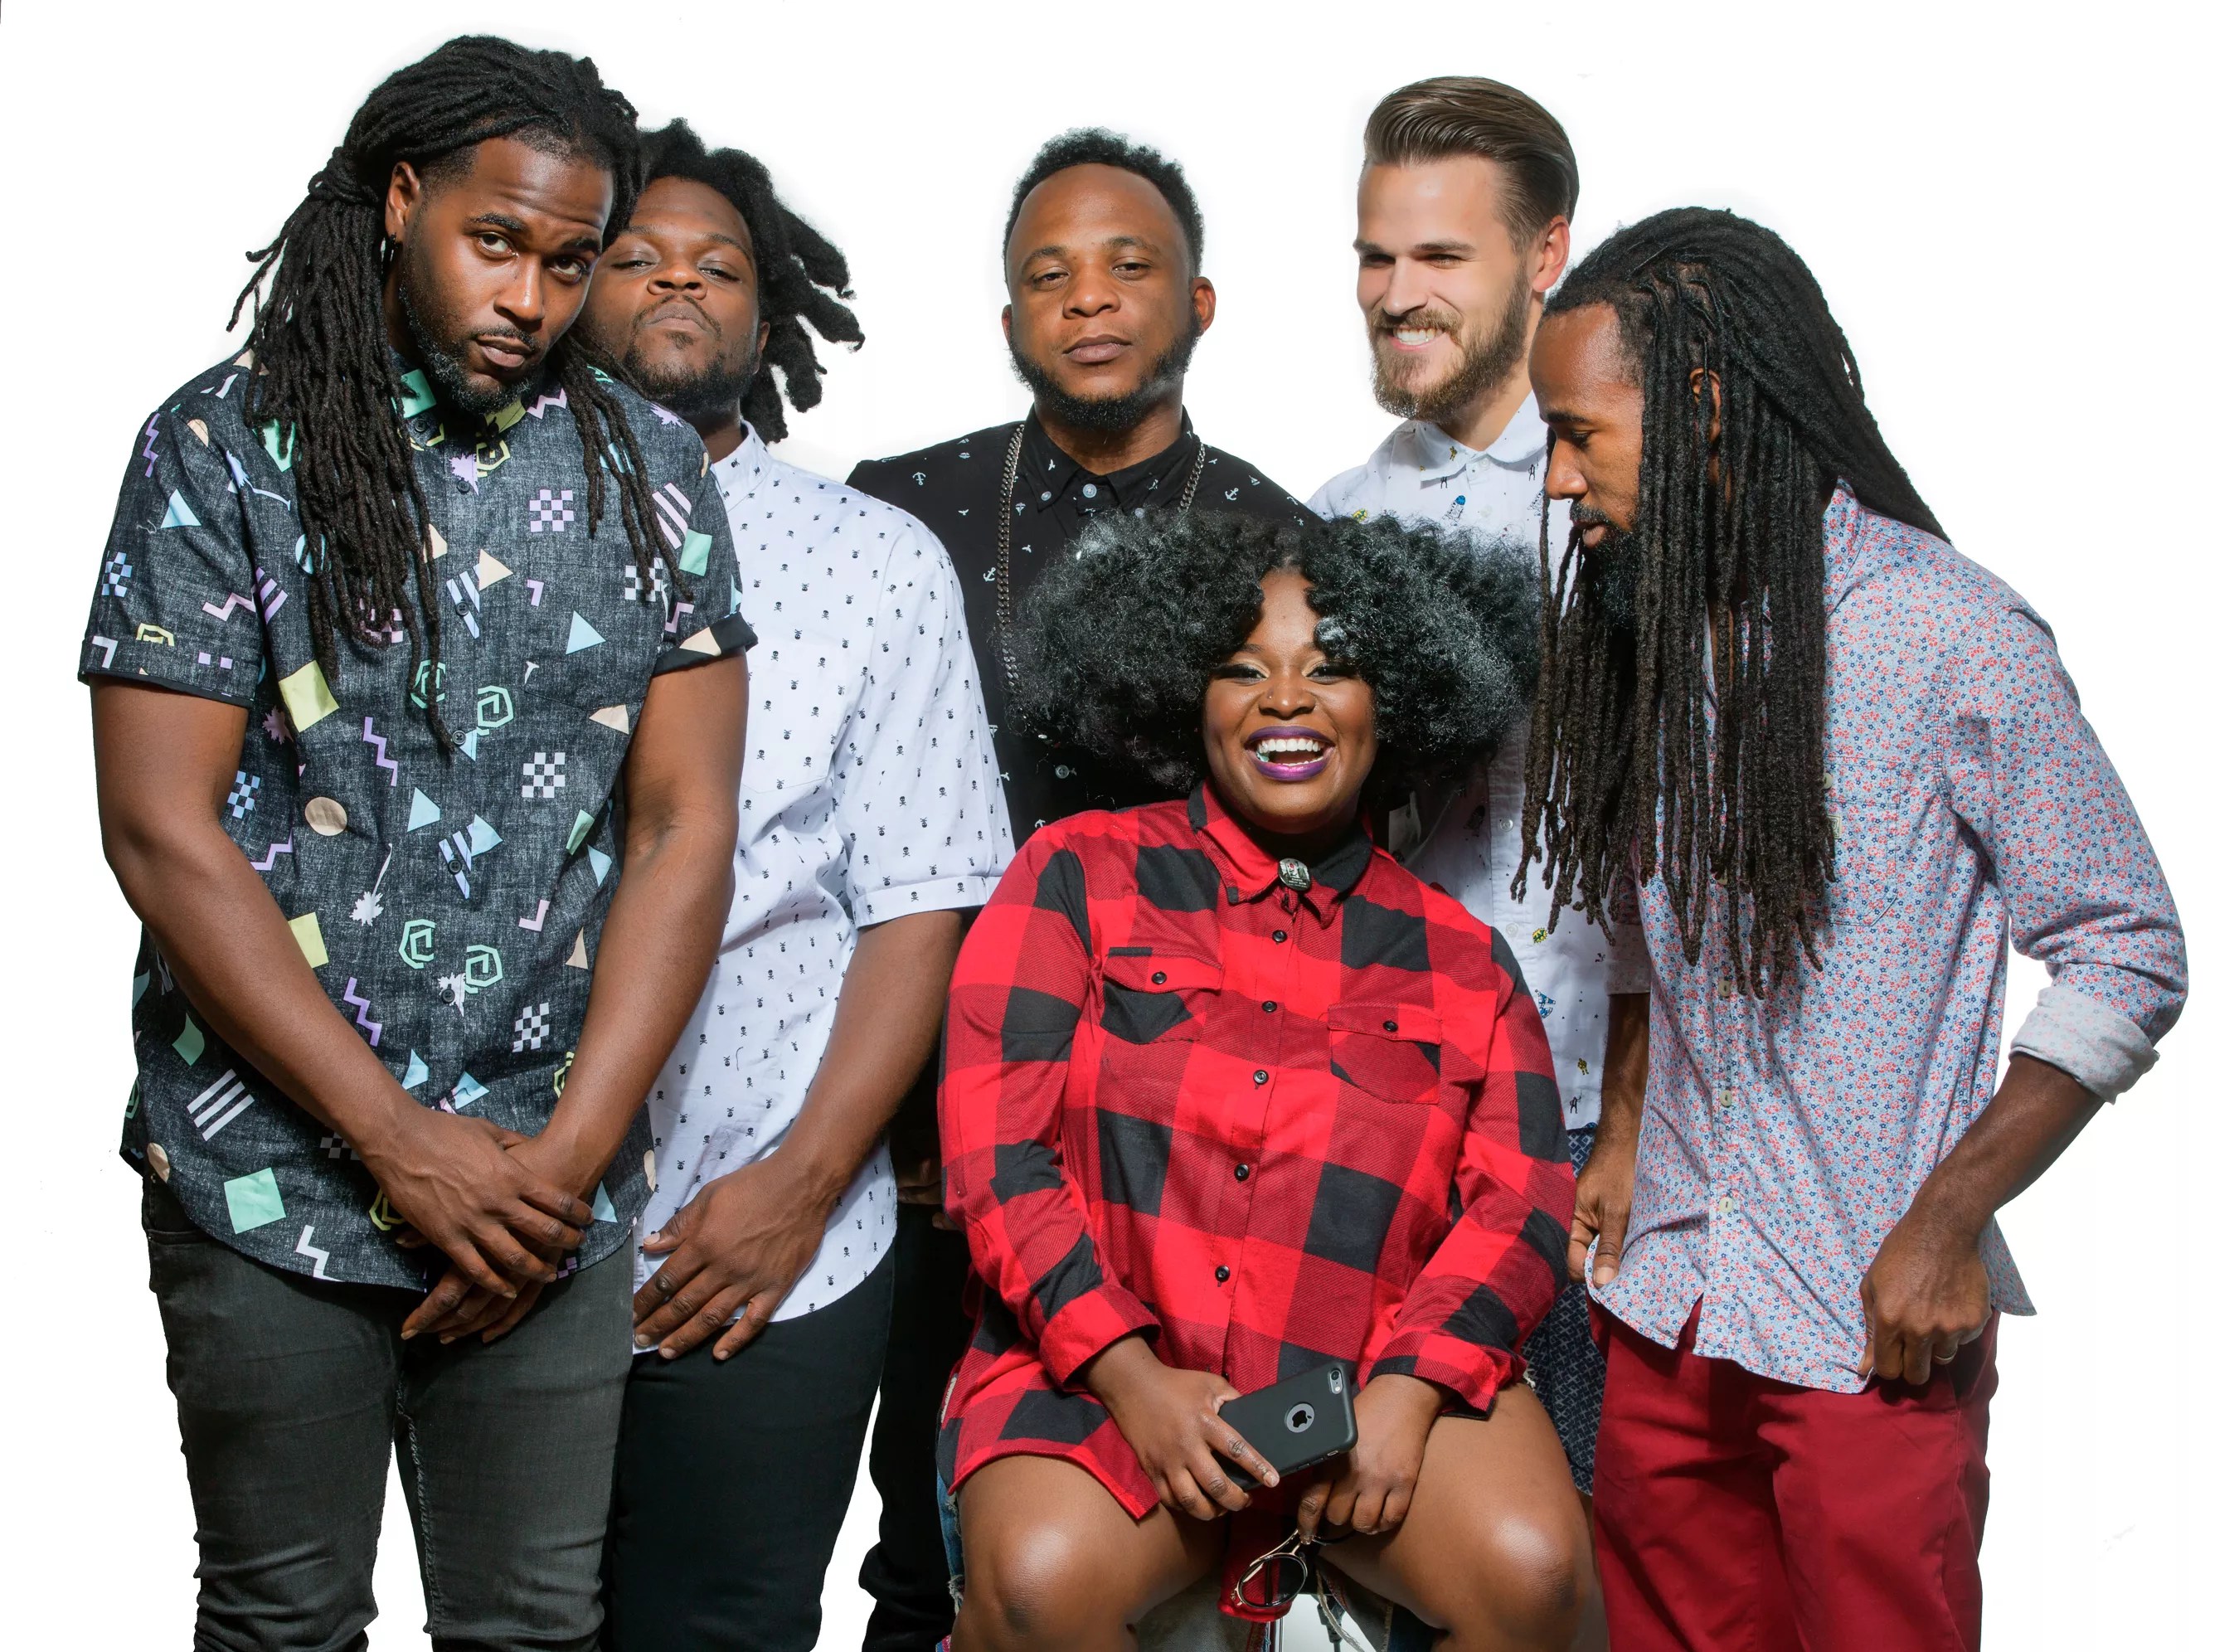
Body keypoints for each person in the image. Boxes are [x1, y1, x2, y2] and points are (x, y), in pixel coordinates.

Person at [81, 37, 754, 1651]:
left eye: (570, 263)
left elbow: (685, 825)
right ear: (401, 199)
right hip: (270, 1169)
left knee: (533, 1628)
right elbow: (161, 830)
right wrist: (393, 1140)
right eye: (495, 242)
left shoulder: (652, 471)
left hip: (543, 1178)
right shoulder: (220, 448)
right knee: (284, 1620)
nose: (529, 298)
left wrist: (561, 1172)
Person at [1523, 207, 2187, 1651]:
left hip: (1867, 1315)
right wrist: (1625, 1128)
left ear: (1701, 406)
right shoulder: (1649, 628)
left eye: (1578, 435)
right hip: (1673, 1301)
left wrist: (1949, 1224)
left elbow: (2128, 944)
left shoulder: (1948, 630)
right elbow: (1639, 914)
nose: (1559, 478)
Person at [939, 510, 1591, 1652]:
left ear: (1397, 699)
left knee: (1537, 1576)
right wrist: (1133, 1379)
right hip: (1108, 1375)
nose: (1286, 699)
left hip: (1367, 1388)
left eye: (1330, 669)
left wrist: (1408, 1394)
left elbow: (1521, 1205)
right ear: (1185, 696)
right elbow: (999, 1159)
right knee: (1040, 1584)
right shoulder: (1078, 873)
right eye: (1243, 670)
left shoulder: (1464, 958)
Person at [846, 128, 1307, 1650]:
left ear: (1201, 302)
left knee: (1195, 1521)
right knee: (925, 1535)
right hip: (929, 1109)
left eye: (1129, 267)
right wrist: (889, 1098)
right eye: (1050, 276)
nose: (1090, 299)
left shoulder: (1283, 544)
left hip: (1188, 1136)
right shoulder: (900, 511)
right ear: (1009, 319)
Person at [576, 120, 1012, 1652]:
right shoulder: (462, 525)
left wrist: (802, 1188)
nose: (677, 283)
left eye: (719, 266)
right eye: (634, 256)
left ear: (767, 319)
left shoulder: (874, 560)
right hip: (504, 1224)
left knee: (725, 1632)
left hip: (772, 1227)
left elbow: (921, 901)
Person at [1309, 75, 1648, 1528]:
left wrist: (1628, 1119)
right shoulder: (1338, 514)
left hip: (1597, 1131)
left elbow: (1685, 852)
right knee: (1372, 1536)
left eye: (1441, 256)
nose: (1397, 295)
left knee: (1586, 1548)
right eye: (1376, 257)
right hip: (1387, 1117)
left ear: (1546, 253)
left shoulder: (1623, 497)